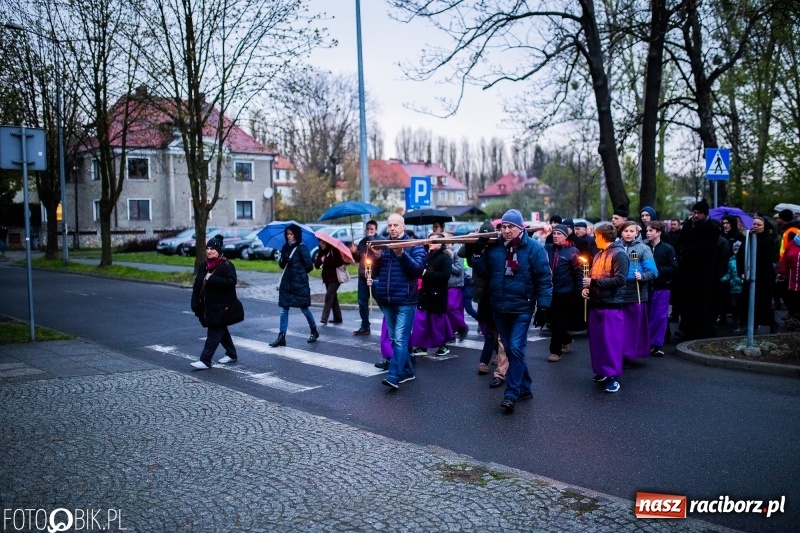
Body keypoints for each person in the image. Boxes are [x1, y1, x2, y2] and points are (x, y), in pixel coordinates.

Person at [473, 209, 553, 413]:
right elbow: (483, 272)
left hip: (522, 307)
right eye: (503, 227)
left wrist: (543, 306)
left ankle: (511, 392)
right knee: (510, 349)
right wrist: (477, 252)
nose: (506, 231)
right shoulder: (495, 248)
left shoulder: (534, 249)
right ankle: (525, 387)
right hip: (499, 307)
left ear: (521, 228)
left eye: (511, 227)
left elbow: (544, 279)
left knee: (516, 348)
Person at [369, 213, 426, 389]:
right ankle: (408, 370)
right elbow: (381, 271)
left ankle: (394, 375)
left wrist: (401, 254)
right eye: (390, 225)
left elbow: (417, 270)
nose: (392, 228)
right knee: (394, 339)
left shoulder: (414, 244)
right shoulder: (384, 244)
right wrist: (377, 259)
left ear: (403, 226)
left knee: (400, 339)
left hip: (405, 300)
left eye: (396, 225)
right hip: (387, 299)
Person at [581, 224, 629, 393]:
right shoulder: (598, 255)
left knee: (610, 343)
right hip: (597, 303)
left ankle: (613, 376)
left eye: (596, 236)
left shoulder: (619, 254)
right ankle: (602, 371)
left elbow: (620, 280)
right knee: (597, 342)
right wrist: (588, 289)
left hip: (611, 304)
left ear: (602, 237)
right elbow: (593, 277)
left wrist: (593, 283)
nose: (594, 239)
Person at [190, 235, 244, 369]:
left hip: (223, 307)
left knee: (214, 331)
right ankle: (231, 354)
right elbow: (197, 285)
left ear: (219, 250)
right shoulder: (204, 266)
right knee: (221, 330)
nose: (209, 251)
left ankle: (205, 360)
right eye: (207, 248)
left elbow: (231, 283)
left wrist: (212, 279)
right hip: (209, 307)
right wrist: (194, 301)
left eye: (212, 249)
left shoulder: (226, 265)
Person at [674, 199, 721, 339]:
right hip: (687, 270)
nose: (695, 215)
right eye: (694, 212)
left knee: (702, 303)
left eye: (698, 213)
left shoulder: (712, 229)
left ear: (705, 214)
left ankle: (701, 331)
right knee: (687, 301)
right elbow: (680, 242)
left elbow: (706, 249)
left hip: (704, 272)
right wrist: (683, 251)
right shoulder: (689, 225)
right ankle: (686, 329)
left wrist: (686, 251)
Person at [269, 224, 318, 347]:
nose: (289, 236)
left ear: (296, 234)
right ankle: (281, 337)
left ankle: (314, 330)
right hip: (286, 283)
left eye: (291, 234)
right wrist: (284, 260)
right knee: (283, 311)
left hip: (299, 284)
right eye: (287, 234)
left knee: (304, 309)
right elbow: (281, 265)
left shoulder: (302, 248)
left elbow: (309, 266)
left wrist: (298, 270)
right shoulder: (285, 247)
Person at [618, 221, 658, 362]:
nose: (628, 234)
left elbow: (653, 272)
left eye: (631, 231)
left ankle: (629, 355)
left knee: (632, 328)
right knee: (619, 327)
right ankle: (618, 353)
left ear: (637, 233)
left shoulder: (643, 249)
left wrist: (642, 276)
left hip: (636, 292)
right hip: (618, 291)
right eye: (625, 231)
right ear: (621, 232)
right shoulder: (616, 247)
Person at [409, 233, 454, 357]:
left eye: (434, 241)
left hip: (437, 295)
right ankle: (421, 347)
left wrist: (425, 273)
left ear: (441, 243)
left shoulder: (445, 258)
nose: (431, 242)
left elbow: (445, 276)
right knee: (421, 321)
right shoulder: (426, 255)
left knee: (437, 323)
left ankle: (443, 345)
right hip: (424, 293)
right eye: (430, 240)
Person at [544, 224, 582, 362]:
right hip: (549, 290)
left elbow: (578, 273)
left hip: (565, 292)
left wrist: (579, 292)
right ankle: (567, 339)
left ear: (565, 236)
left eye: (559, 234)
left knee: (558, 321)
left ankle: (555, 351)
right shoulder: (548, 248)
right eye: (554, 234)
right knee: (553, 321)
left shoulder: (572, 251)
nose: (555, 236)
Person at [735, 216, 778, 333]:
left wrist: (754, 272)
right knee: (747, 302)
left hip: (763, 277)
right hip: (748, 276)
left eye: (759, 225)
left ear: (765, 227)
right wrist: (742, 272)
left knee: (763, 302)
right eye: (754, 224)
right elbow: (740, 256)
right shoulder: (748, 238)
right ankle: (750, 326)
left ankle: (769, 325)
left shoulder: (769, 241)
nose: (755, 227)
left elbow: (767, 260)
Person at [645, 221, 676, 357]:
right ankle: (646, 343)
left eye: (651, 230)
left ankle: (657, 345)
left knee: (659, 316)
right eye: (647, 230)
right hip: (646, 287)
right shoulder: (643, 248)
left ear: (659, 233)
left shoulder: (668, 249)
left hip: (662, 287)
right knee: (646, 316)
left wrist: (656, 269)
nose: (647, 232)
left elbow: (674, 268)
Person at [350, 220, 378, 336]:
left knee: (381, 301)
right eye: (367, 229)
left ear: (376, 230)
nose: (369, 231)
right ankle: (365, 326)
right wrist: (354, 253)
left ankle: (390, 323)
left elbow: (381, 258)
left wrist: (373, 248)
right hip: (363, 276)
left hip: (376, 276)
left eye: (371, 229)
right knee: (362, 302)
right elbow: (358, 259)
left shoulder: (379, 241)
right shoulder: (362, 242)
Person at [313, 240, 344, 325]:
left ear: (327, 243)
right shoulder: (321, 252)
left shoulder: (334, 250)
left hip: (336, 278)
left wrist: (326, 260)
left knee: (329, 296)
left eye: (323, 243)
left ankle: (324, 318)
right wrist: (321, 260)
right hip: (327, 278)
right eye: (320, 243)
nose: (321, 245)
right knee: (333, 297)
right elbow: (316, 265)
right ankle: (338, 317)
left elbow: (338, 262)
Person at [778, 229, 800, 321]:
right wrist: (782, 271)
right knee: (791, 299)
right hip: (791, 278)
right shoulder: (793, 243)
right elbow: (785, 259)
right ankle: (793, 318)